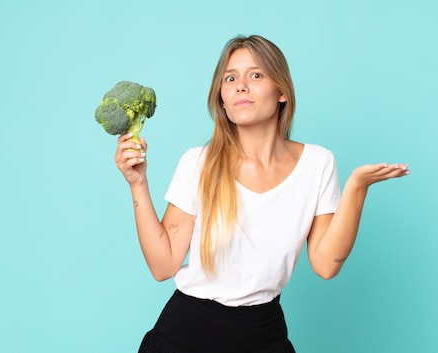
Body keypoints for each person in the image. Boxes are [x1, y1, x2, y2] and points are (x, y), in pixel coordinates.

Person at [114, 34, 410, 352]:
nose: (241, 86)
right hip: (186, 332)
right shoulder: (197, 163)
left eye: (256, 75)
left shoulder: (318, 163)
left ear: (282, 91)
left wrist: (356, 188)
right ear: (222, 98)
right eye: (231, 78)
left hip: (263, 332)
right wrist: (138, 184)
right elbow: (163, 266)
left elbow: (326, 265)